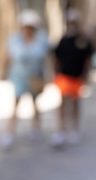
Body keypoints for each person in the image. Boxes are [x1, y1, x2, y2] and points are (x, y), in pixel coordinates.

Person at [2, 10, 48, 149]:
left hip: (35, 76)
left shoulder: (41, 40)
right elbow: (7, 57)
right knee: (16, 104)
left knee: (35, 103)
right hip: (19, 76)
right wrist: (3, 72)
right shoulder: (15, 40)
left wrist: (48, 76)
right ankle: (9, 133)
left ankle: (36, 129)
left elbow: (47, 58)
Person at [52, 9, 93, 146]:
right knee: (63, 102)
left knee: (75, 103)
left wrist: (87, 76)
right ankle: (61, 130)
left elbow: (88, 60)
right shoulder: (64, 40)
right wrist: (55, 73)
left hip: (77, 78)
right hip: (64, 77)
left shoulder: (84, 40)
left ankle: (74, 128)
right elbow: (56, 57)